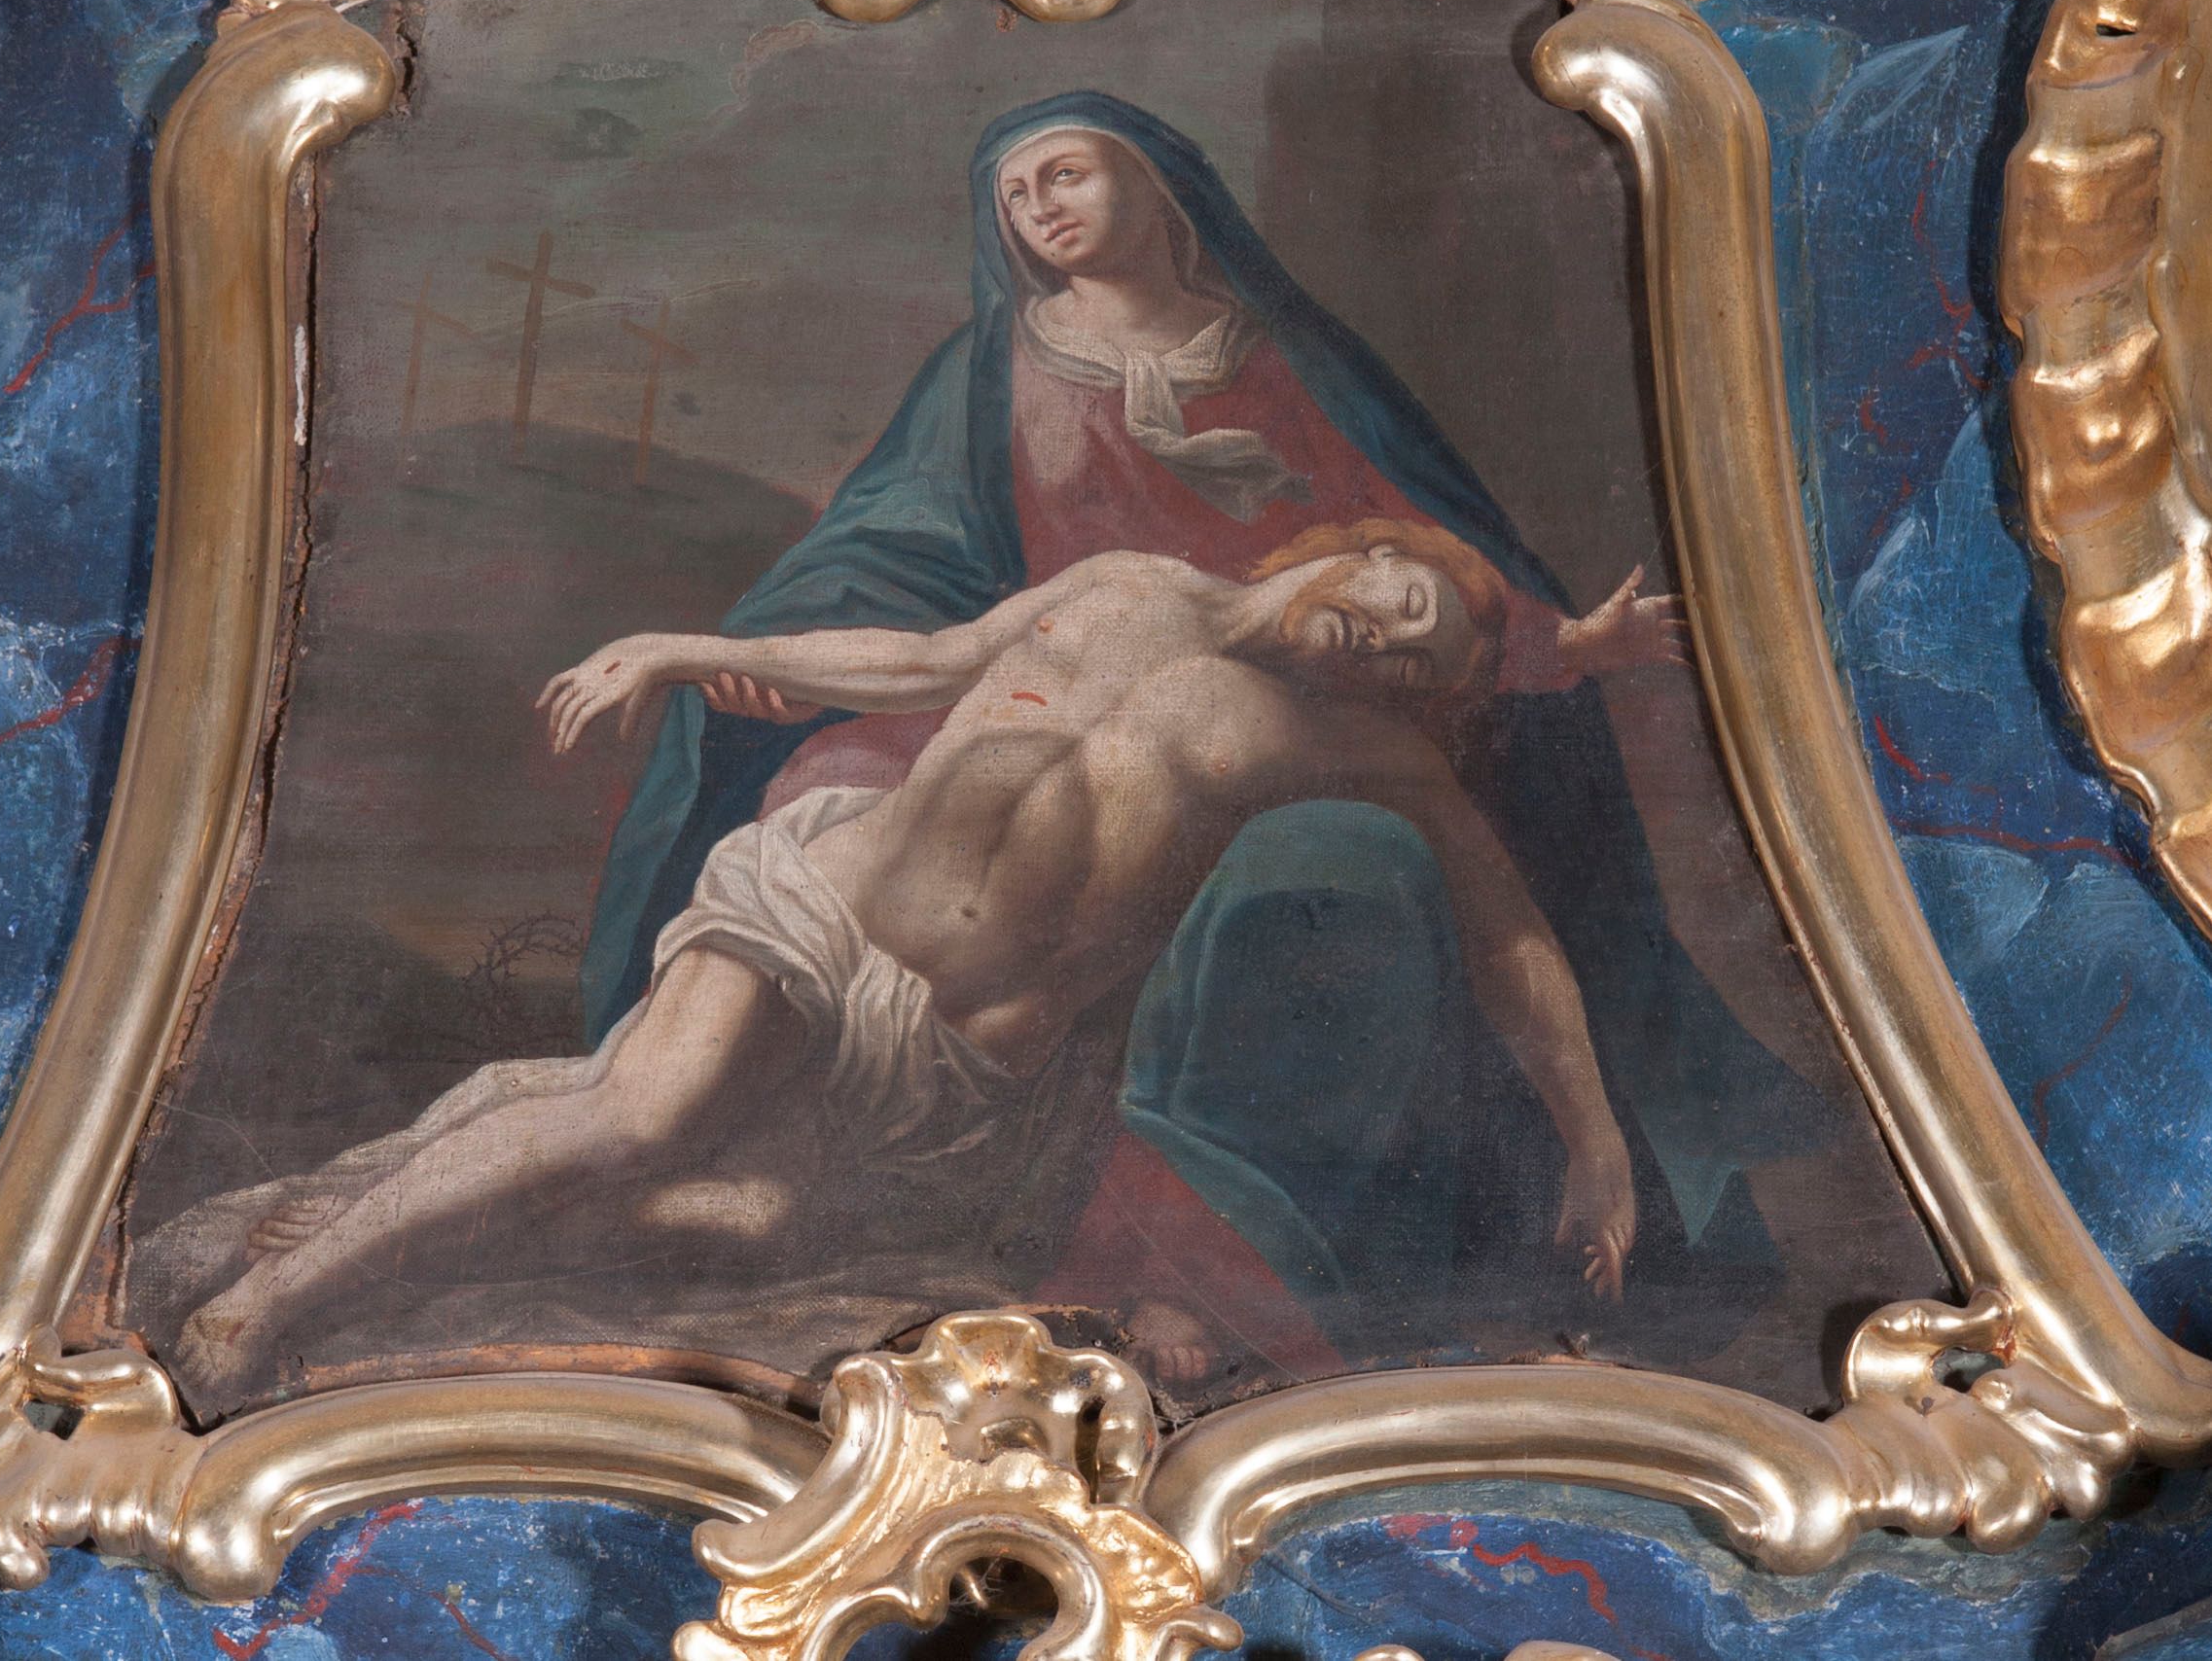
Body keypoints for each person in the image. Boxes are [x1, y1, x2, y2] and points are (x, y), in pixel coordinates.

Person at [580, 91, 1830, 1382]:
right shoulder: (987, 372)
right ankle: (796, 1150)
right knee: (827, 773)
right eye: (1017, 197)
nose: (1042, 208)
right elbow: (905, 558)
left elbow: (1408, 558)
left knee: (1334, 872)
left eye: (1067, 175)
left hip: (1279, 717)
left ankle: (1212, 1265)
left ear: (1158, 184)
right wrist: (771, 653)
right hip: (1055, 677)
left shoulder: (1283, 363)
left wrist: (1555, 647)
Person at [177, 526, 1643, 1396]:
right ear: (1367, 548)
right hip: (825, 906)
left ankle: (434, 1176)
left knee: (742, 1222)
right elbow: (924, 661)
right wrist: (680, 648)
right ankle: (268, 1306)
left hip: (960, 1062)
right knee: (646, 1117)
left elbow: (1510, 936)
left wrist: (1594, 1143)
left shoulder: (1356, 744)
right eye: (1400, 602)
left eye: (1415, 660)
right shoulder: (1127, 583)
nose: (1383, 640)